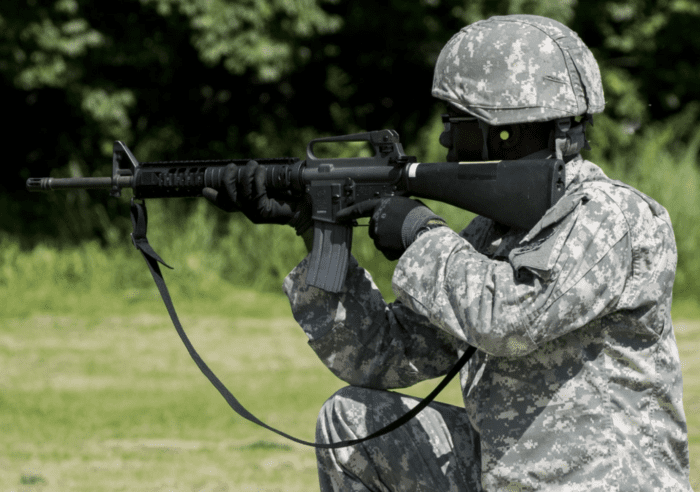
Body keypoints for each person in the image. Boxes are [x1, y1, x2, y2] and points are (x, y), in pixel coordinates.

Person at [205, 14, 692, 492]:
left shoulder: (612, 217)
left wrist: (421, 233)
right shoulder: (492, 234)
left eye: (456, 122)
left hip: (604, 483)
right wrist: (312, 230)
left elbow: (509, 320)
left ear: (504, 129)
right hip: (506, 477)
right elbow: (382, 356)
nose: (443, 139)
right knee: (352, 421)